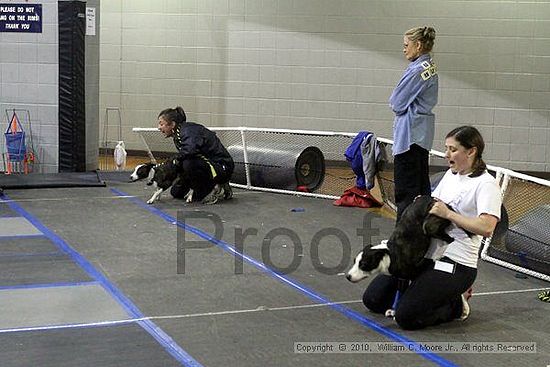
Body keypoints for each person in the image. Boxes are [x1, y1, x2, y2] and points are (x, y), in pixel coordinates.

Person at [363, 126, 502, 330]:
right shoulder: (450, 175)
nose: (447, 155)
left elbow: (487, 227)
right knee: (373, 300)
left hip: (457, 262)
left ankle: (456, 305)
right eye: (446, 148)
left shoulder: (486, 184)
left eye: (453, 150)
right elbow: (435, 205)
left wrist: (449, 214)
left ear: (471, 151)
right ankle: (423, 286)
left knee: (406, 317)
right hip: (424, 254)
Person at [390, 26, 438, 222]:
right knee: (420, 189)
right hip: (420, 136)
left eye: (406, 45)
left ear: (418, 45)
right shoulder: (429, 67)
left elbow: (396, 102)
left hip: (409, 138)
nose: (404, 49)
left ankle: (403, 241)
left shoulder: (418, 71)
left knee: (406, 194)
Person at [157, 106, 234, 204]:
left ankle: (216, 185)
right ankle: (212, 184)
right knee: (176, 193)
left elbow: (190, 151)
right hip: (205, 164)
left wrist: (172, 161)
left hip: (222, 166)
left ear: (172, 124)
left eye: (161, 124)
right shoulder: (178, 133)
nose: (159, 127)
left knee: (188, 163)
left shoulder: (188, 131)